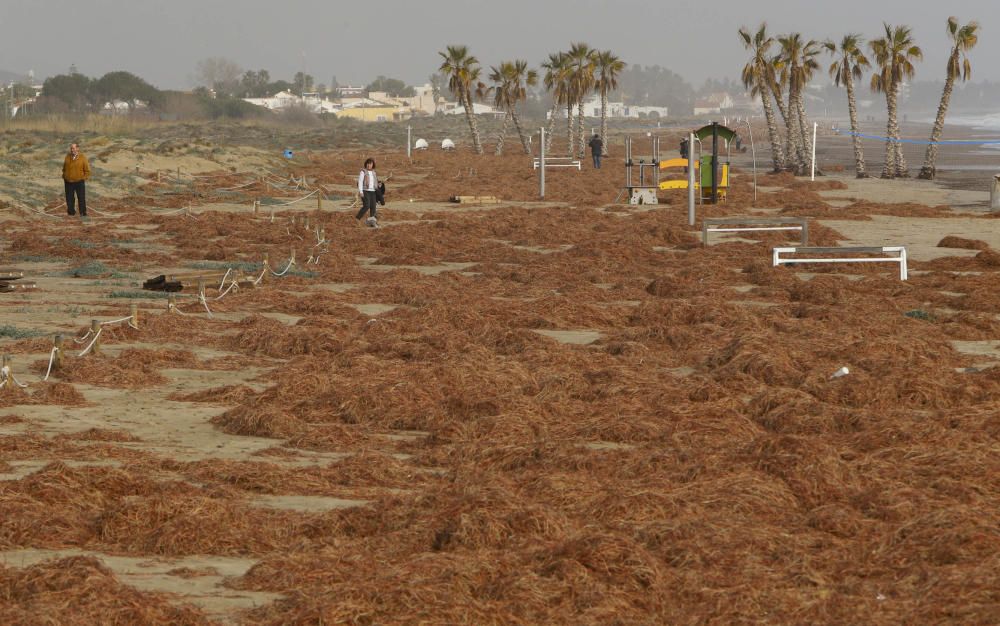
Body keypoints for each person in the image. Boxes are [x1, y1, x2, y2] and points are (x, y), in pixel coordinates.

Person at [62, 143, 90, 218]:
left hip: (79, 182)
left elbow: (87, 170)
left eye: (73, 148)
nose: (72, 150)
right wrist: (64, 176)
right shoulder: (67, 156)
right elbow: (64, 168)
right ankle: (71, 213)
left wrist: (83, 178)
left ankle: (83, 214)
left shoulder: (82, 157)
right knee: (69, 198)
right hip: (68, 182)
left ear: (78, 148)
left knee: (81, 198)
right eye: (71, 148)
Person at [356, 157, 379, 227]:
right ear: (366, 164)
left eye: (370, 164)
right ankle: (357, 218)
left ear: (373, 165)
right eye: (368, 164)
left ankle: (372, 222)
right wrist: (361, 191)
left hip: (373, 191)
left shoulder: (374, 172)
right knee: (366, 206)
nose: (369, 165)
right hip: (365, 191)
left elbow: (375, 182)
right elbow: (360, 182)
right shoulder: (363, 172)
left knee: (373, 207)